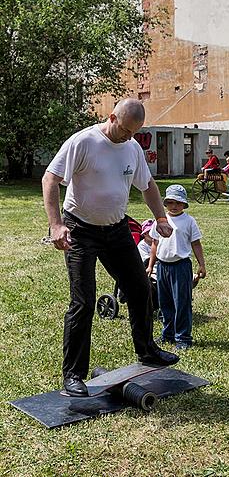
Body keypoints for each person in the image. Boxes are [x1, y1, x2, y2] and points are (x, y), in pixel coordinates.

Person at [42, 98, 179, 398]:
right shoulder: (84, 142)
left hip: (116, 229)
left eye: (135, 133)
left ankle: (148, 351)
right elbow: (50, 178)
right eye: (126, 130)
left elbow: (148, 185)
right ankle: (74, 375)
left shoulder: (131, 148)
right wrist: (55, 225)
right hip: (80, 230)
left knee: (140, 287)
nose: (129, 137)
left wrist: (160, 217)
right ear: (112, 117)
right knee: (84, 301)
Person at [147, 184, 206, 350]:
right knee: (165, 303)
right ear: (165, 203)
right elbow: (154, 243)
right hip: (162, 267)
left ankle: (183, 337)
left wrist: (201, 264)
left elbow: (196, 243)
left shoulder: (189, 221)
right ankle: (168, 334)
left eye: (178, 203)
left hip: (181, 266)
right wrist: (151, 266)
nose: (174, 206)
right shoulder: (160, 221)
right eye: (171, 202)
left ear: (184, 204)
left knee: (182, 303)